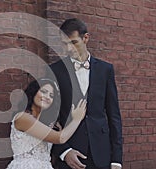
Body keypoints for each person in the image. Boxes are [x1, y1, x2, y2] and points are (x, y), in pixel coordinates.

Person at [49, 18, 123, 169]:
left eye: (74, 42)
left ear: (86, 38)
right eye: (64, 44)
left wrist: (116, 158)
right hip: (69, 154)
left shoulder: (105, 70)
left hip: (102, 153)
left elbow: (113, 115)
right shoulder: (55, 71)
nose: (69, 48)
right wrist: (64, 151)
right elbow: (48, 117)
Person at [6, 78, 87, 169]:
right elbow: (60, 138)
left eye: (51, 95)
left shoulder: (47, 124)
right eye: (43, 91)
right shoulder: (23, 117)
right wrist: (77, 119)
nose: (47, 97)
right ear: (33, 92)